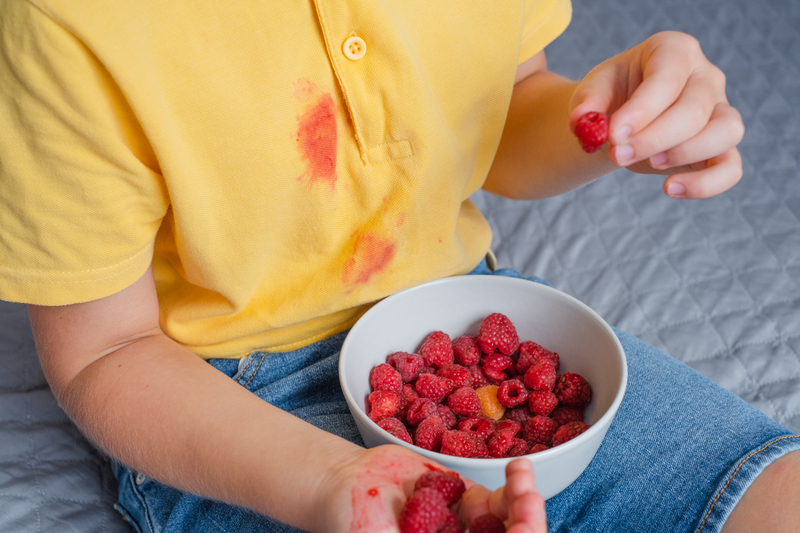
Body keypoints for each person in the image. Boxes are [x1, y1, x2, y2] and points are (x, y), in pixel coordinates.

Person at [0, 0, 797, 532]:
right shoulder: (68, 22)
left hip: (454, 315)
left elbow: (510, 110)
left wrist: (617, 114)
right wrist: (326, 481)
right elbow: (105, 350)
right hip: (234, 402)